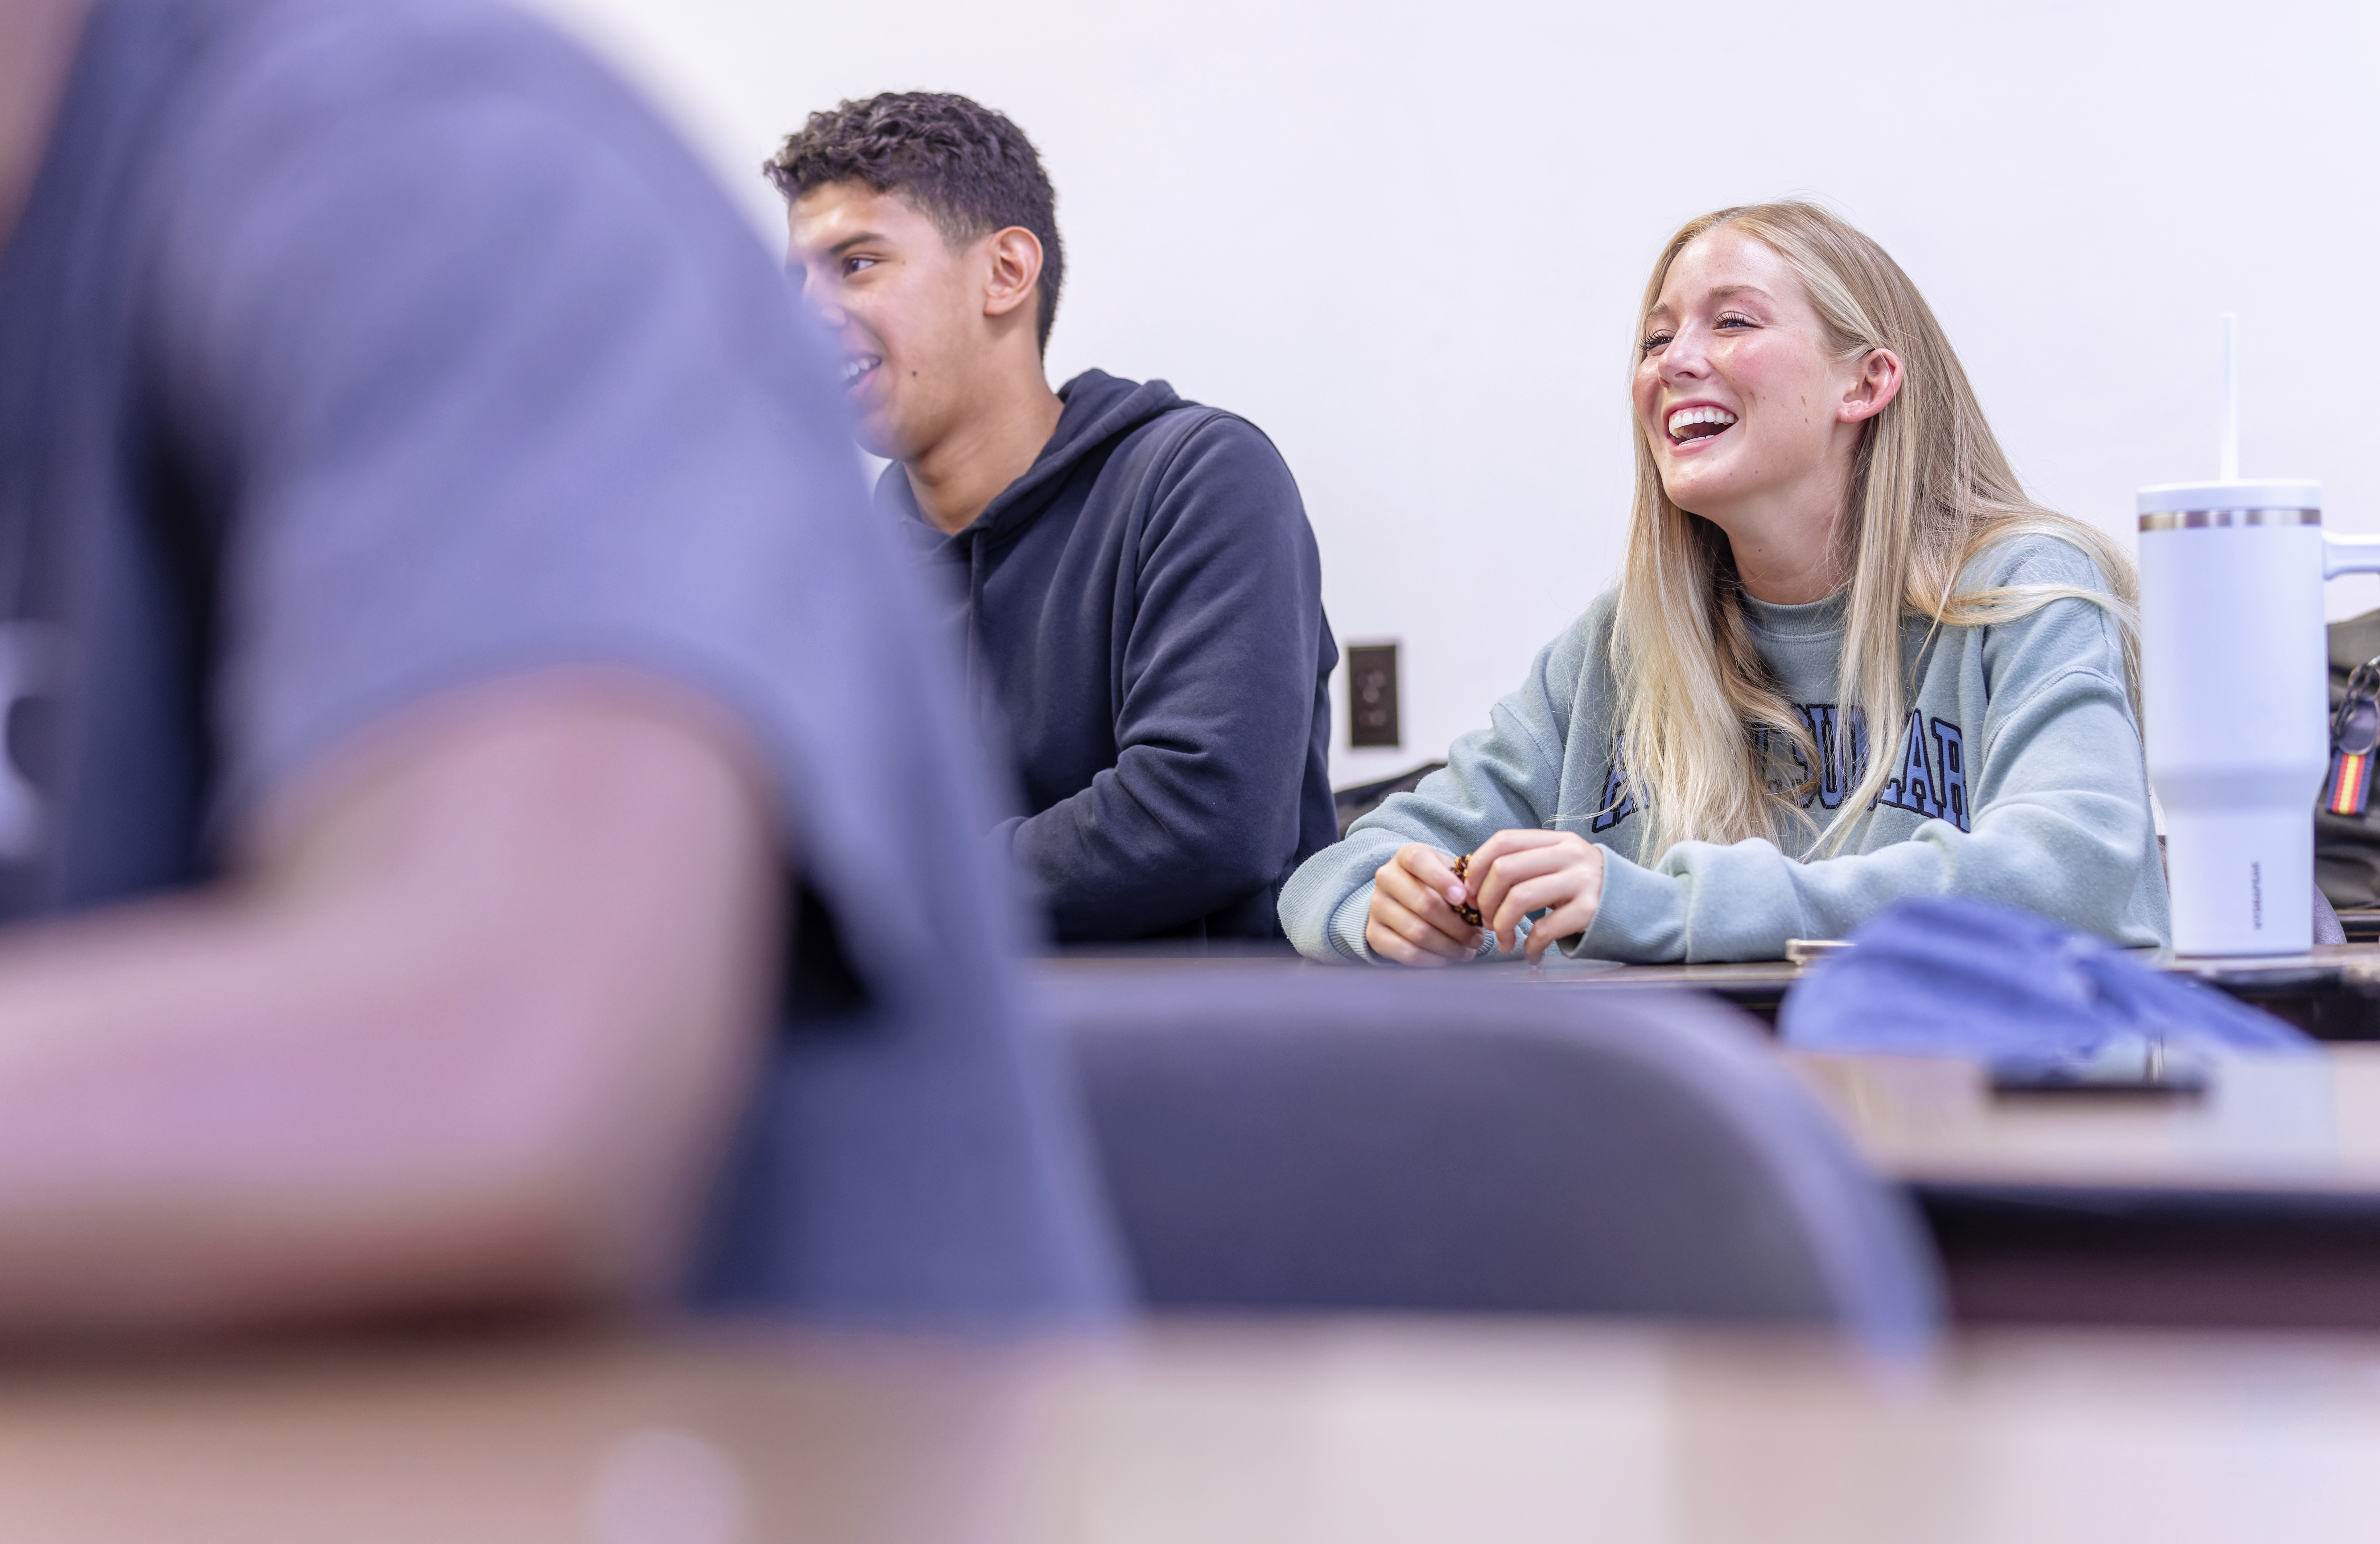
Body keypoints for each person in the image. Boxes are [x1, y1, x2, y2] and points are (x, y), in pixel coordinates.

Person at [0, 0, 1118, 1332]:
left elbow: (495, 1065)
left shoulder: (425, 164)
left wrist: (995, 871)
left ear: (1007, 273)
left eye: (861, 263)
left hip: (754, 1449)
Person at [1281, 202, 2170, 967]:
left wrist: (1669, 906)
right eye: (1656, 338)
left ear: (1867, 381)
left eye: (1734, 323)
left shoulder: (2023, 591)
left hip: (1976, 1103)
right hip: (1696, 1110)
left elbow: (2079, 871)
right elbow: (1337, 873)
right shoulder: (1619, 649)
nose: (1673, 362)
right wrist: (1391, 910)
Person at [769, 93, 1338, 943]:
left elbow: (1205, 817)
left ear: (1006, 273)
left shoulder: (1199, 477)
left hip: (1191, 1028)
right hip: (954, 1029)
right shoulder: (842, 563)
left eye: (857, 263)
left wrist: (907, 887)